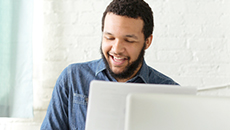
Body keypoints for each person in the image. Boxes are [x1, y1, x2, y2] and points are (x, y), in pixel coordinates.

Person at [41, 0, 179, 129]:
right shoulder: (73, 78)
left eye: (129, 40)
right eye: (110, 38)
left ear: (147, 42)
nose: (117, 49)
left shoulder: (170, 92)